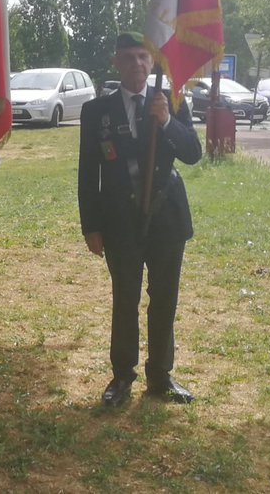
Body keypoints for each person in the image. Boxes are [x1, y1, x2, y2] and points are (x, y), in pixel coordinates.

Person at [77, 32, 203, 407]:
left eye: (143, 57)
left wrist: (166, 122)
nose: (137, 64)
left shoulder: (171, 102)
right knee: (125, 298)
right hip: (119, 222)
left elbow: (193, 153)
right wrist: (91, 226)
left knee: (164, 298)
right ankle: (122, 376)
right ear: (117, 62)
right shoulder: (97, 111)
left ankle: (161, 376)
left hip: (167, 218)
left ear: (153, 62)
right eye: (129, 58)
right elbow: (88, 174)